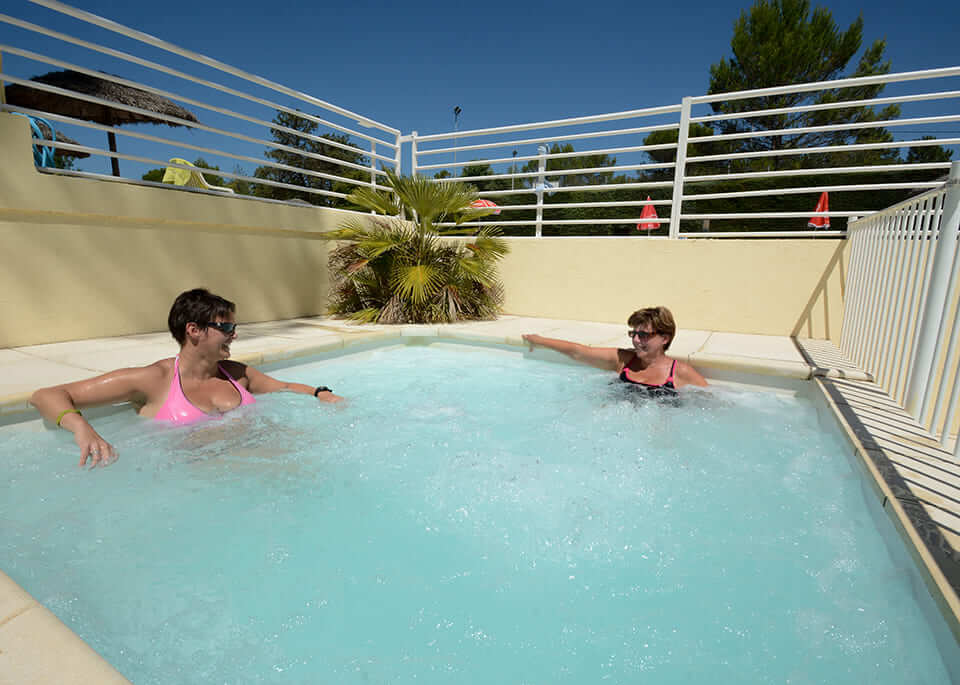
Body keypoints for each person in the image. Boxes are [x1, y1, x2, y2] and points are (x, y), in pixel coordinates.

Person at [30, 288, 344, 468]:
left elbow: (286, 387)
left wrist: (322, 394)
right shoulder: (154, 380)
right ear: (193, 330)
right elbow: (46, 395)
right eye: (226, 328)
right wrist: (82, 428)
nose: (233, 336)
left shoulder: (237, 374)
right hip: (199, 483)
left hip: (260, 468)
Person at [522, 306, 707, 396]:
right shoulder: (624, 360)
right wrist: (539, 340)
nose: (635, 340)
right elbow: (578, 352)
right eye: (633, 333)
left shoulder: (679, 373)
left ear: (665, 338)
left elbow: (714, 401)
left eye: (643, 335)